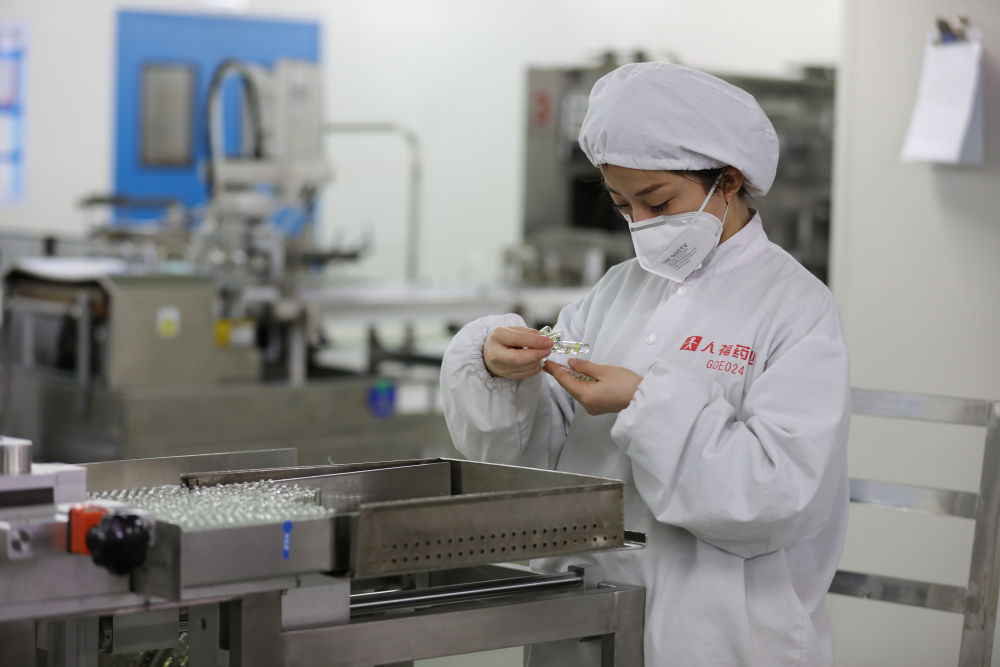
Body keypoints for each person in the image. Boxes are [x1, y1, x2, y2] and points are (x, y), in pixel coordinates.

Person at [439, 62, 850, 667]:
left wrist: (645, 402)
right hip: (583, 618)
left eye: (659, 201)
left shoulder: (795, 308)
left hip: (716, 638)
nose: (642, 225)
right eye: (624, 205)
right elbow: (534, 464)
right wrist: (502, 375)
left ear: (729, 181)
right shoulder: (616, 291)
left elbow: (779, 498)